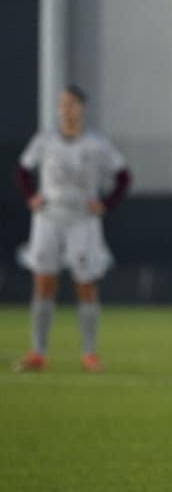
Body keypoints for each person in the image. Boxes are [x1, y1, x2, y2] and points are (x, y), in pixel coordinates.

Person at [14, 84, 131, 373]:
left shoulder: (96, 143)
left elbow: (124, 175)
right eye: (62, 104)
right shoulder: (45, 140)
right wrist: (31, 196)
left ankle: (89, 353)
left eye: (72, 104)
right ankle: (38, 352)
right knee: (43, 283)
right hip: (48, 217)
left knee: (86, 284)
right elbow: (23, 169)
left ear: (82, 108)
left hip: (82, 220)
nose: (66, 109)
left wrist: (107, 203)